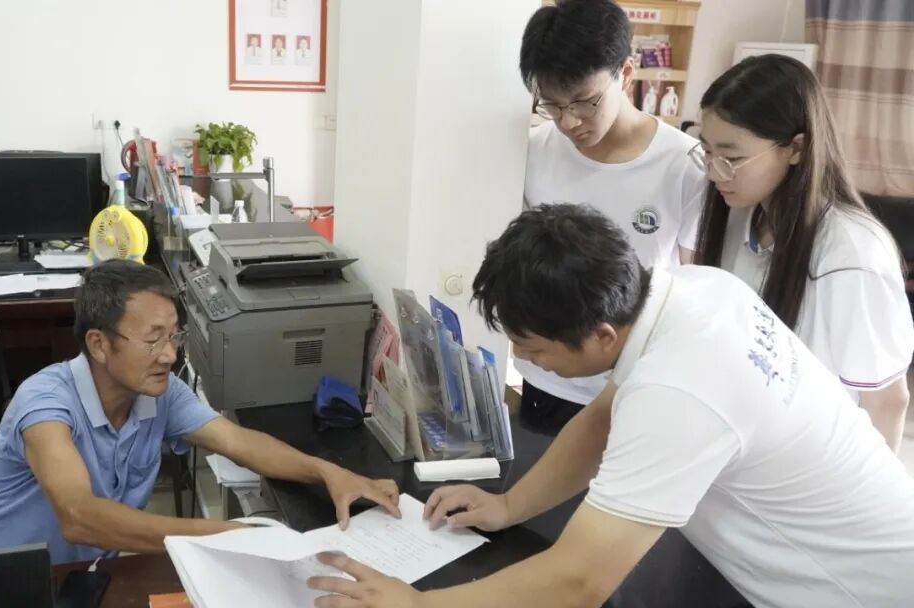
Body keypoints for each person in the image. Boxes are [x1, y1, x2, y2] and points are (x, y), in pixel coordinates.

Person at [307, 204, 914, 607]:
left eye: (534, 348)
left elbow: (579, 582)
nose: (529, 360)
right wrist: (509, 505)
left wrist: (417, 604)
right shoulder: (695, 290)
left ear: (599, 334)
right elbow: (601, 421)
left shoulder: (677, 391)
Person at [0, 260, 399, 565]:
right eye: (152, 339)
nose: (169, 355)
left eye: (173, 336)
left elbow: (240, 442)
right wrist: (227, 535)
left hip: (68, 580)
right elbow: (80, 516)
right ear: (99, 344)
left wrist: (327, 472)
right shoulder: (44, 402)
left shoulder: (160, 393)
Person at [692, 54, 913, 451]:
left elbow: (886, 402)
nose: (713, 171)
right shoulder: (742, 216)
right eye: (706, 151)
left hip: (814, 465)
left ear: (796, 148)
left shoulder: (852, 257)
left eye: (732, 158)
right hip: (744, 447)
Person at [517, 0, 705, 431]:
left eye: (584, 101)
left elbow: (698, 283)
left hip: (635, 384)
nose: (569, 121)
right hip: (548, 381)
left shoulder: (684, 165)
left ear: (626, 72)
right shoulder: (533, 151)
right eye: (553, 105)